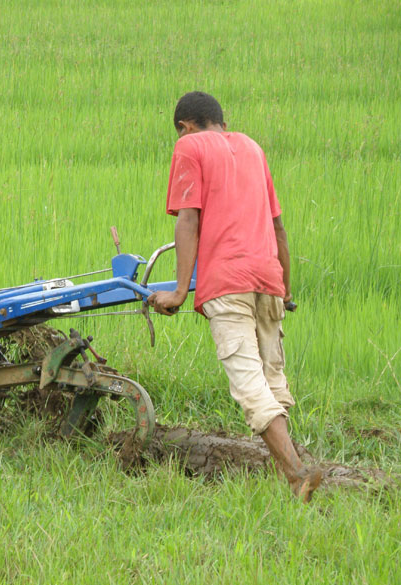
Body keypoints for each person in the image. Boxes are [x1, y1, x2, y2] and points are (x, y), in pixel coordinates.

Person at [147, 91, 322, 502]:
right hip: (268, 278)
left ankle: (296, 474)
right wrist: (285, 287)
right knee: (272, 379)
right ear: (222, 123)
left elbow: (188, 220)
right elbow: (278, 228)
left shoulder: (189, 146)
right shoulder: (252, 148)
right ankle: (291, 468)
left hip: (228, 283)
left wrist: (178, 291)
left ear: (185, 126)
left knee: (248, 384)